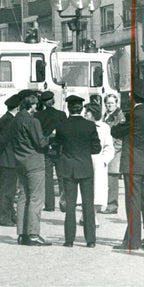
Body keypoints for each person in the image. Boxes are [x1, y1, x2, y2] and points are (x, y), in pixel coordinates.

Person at [110, 79, 144, 250]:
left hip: (133, 163)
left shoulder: (135, 115)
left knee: (133, 202)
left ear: (133, 97)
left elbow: (116, 131)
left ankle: (133, 240)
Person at [55, 95, 100, 247]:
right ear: (81, 108)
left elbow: (57, 147)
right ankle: (91, 240)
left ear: (68, 108)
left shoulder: (62, 126)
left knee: (70, 205)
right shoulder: (90, 125)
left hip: (68, 168)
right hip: (85, 168)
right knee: (88, 204)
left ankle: (69, 240)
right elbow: (96, 148)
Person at [13, 90, 51, 246]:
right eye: (36, 105)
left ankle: (22, 234)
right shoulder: (33, 121)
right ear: (32, 105)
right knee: (36, 199)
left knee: (23, 197)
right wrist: (50, 136)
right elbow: (40, 142)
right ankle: (34, 234)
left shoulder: (16, 119)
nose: (37, 108)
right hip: (34, 162)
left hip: (19, 161)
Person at [76, 102, 114, 228]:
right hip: (83, 160)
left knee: (98, 190)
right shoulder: (82, 126)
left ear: (94, 113)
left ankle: (93, 216)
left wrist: (103, 161)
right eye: (85, 111)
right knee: (83, 189)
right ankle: (84, 215)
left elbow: (109, 147)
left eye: (88, 111)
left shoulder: (104, 127)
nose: (85, 113)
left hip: (98, 162)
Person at [33, 91, 67, 212]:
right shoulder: (61, 115)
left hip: (45, 149)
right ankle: (64, 204)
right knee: (62, 177)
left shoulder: (37, 116)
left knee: (47, 178)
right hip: (59, 149)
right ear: (53, 101)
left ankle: (49, 205)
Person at [0, 93, 20, 226]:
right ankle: (4, 218)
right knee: (7, 191)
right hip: (8, 160)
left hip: (8, 159)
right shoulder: (8, 121)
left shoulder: (6, 119)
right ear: (17, 107)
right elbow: (2, 141)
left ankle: (9, 215)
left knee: (9, 190)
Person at [102, 93, 125, 214]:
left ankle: (112, 205)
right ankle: (106, 203)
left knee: (112, 177)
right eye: (107, 103)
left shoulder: (119, 117)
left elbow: (120, 137)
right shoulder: (105, 115)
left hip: (114, 151)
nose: (109, 105)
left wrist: (114, 151)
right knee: (106, 178)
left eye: (112, 103)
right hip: (106, 150)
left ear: (116, 103)